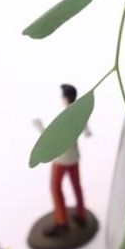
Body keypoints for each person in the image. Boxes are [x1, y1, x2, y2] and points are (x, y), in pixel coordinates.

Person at [33, 85, 90, 239]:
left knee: (55, 187)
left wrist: (40, 127)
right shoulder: (79, 112)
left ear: (65, 98)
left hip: (62, 158)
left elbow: (54, 138)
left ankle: (61, 221)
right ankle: (81, 215)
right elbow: (87, 131)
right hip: (74, 157)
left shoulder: (66, 115)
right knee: (76, 186)